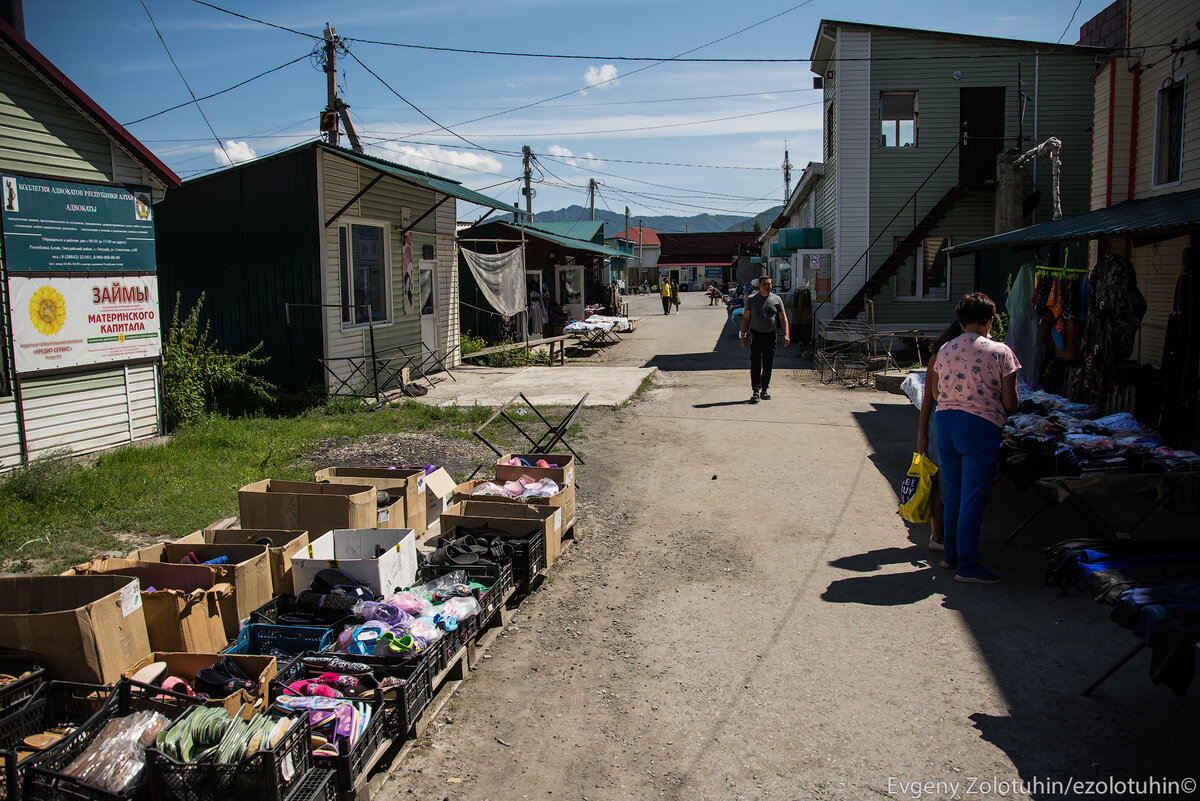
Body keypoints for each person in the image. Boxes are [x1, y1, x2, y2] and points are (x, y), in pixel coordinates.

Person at [927, 292, 1020, 585]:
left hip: (946, 423)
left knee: (953, 491)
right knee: (973, 497)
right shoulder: (1000, 352)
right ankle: (967, 565)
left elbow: (935, 394)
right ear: (990, 320)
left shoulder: (944, 349)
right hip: (980, 425)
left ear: (960, 319)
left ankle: (951, 554)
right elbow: (1010, 401)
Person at [916, 321, 963, 552]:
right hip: (941, 421)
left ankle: (943, 536)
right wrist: (922, 433)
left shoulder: (943, 350)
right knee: (939, 481)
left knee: (945, 481)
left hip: (940, 421)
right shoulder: (943, 351)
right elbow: (930, 396)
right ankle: (939, 536)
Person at [740, 275, 789, 402]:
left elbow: (783, 318)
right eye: (764, 284)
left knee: (768, 364)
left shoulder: (776, 299)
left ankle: (764, 389)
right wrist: (743, 336)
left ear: (771, 285)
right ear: (759, 285)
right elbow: (745, 319)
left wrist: (786, 334)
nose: (767, 286)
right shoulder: (752, 299)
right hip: (756, 334)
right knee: (755, 363)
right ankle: (756, 390)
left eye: (769, 284)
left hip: (770, 335)